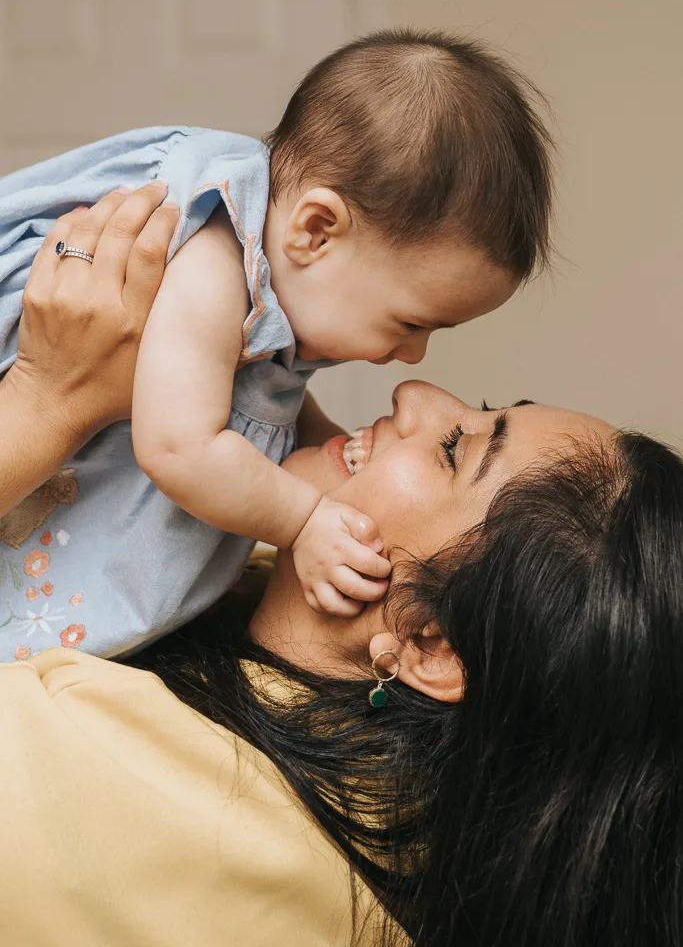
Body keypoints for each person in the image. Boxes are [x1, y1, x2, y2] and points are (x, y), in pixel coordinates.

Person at [3, 374, 683, 947]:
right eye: (477, 405)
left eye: (455, 447)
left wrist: (45, 401)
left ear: (428, 644)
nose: (413, 389)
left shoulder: (126, 783)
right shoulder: (394, 849)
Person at [0, 28, 554, 659]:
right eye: (410, 322)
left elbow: (272, 405)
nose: (414, 357)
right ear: (316, 231)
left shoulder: (279, 297)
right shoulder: (212, 263)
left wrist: (346, 467)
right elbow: (179, 446)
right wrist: (303, 519)